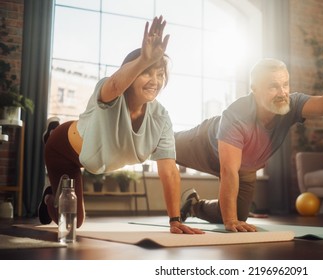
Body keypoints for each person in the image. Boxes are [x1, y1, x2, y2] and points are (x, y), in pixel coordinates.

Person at [176, 58, 323, 232]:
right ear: (254, 88)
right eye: (273, 86)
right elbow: (228, 171)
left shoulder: (290, 104)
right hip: (204, 145)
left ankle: (194, 206)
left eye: (285, 84)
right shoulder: (237, 116)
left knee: (239, 216)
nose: (282, 92)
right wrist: (229, 220)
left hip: (245, 167)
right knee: (159, 143)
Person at [39, 16, 203, 235]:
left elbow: (169, 170)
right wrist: (144, 60)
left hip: (91, 157)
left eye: (160, 74)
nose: (155, 80)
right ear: (132, 72)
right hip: (63, 148)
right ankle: (50, 195)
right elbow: (116, 84)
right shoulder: (111, 92)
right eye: (146, 72)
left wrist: (174, 220)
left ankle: (54, 192)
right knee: (72, 224)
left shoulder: (161, 118)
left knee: (74, 221)